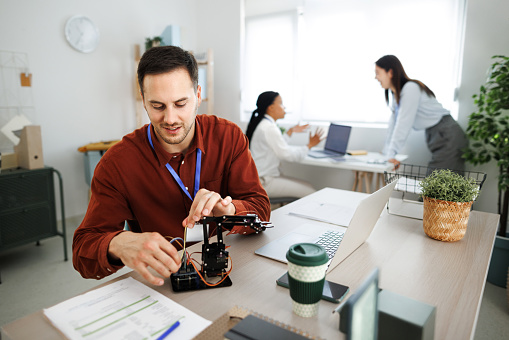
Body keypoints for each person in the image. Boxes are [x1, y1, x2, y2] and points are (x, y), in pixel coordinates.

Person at [73, 46, 270, 286]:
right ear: (143, 100)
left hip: (228, 269)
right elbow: (83, 251)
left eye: (180, 103)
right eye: (157, 106)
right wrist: (117, 243)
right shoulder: (117, 163)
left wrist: (229, 210)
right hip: (162, 282)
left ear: (198, 95)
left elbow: (261, 209)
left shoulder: (228, 137)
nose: (170, 119)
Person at [374, 55, 468, 171]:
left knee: (439, 183)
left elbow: (403, 125)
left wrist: (390, 155)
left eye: (378, 73)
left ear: (390, 72)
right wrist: (387, 153)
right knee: (440, 183)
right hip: (439, 134)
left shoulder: (410, 88)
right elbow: (393, 126)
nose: (376, 77)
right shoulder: (396, 96)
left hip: (447, 134)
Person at [245, 91, 323, 199]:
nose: (284, 107)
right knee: (311, 192)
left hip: (262, 178)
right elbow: (287, 155)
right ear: (271, 108)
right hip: (264, 182)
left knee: (309, 187)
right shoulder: (269, 128)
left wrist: (290, 132)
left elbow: (275, 146)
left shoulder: (264, 124)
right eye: (281, 103)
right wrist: (309, 146)